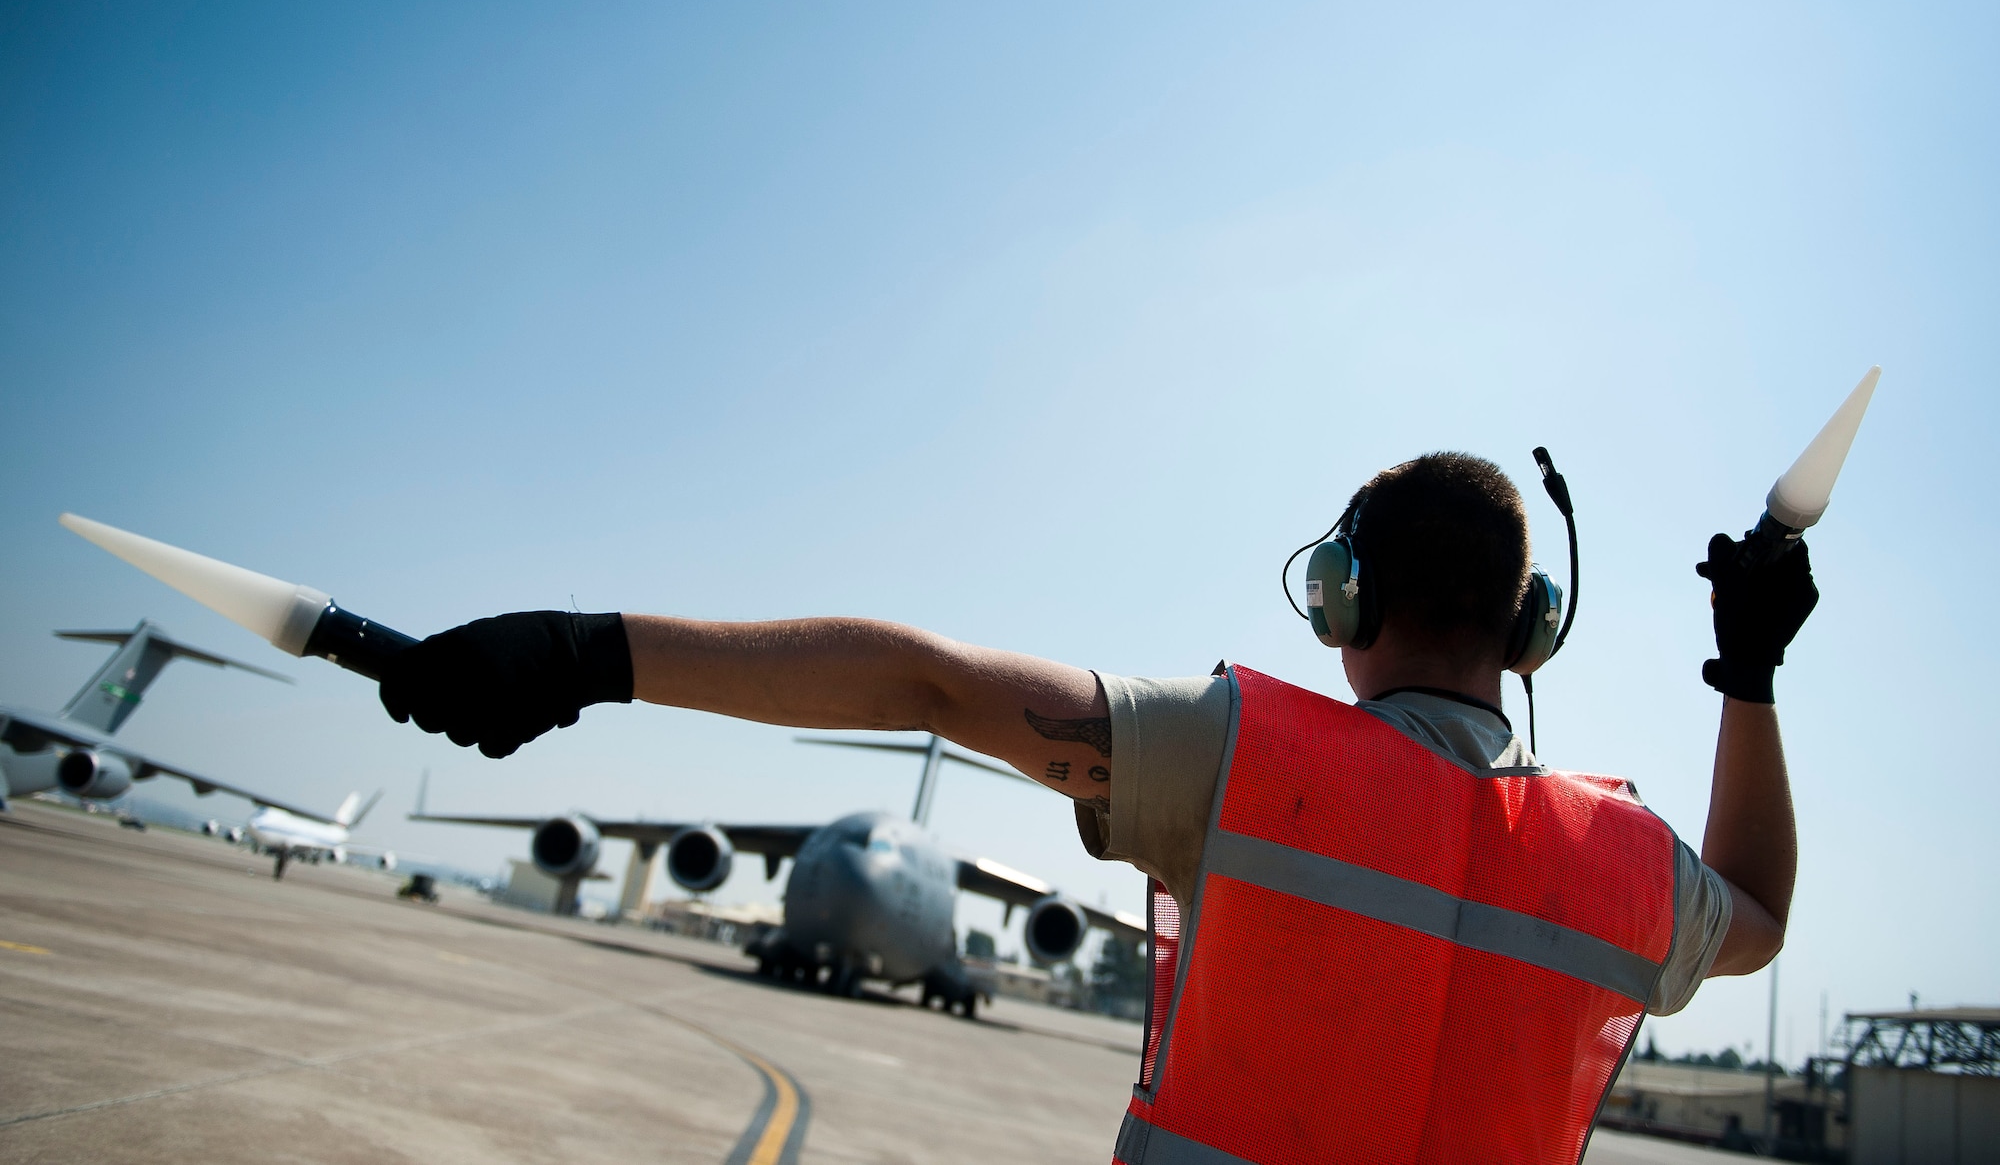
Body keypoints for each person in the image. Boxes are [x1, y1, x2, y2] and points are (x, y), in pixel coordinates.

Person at [378, 452, 1815, 1164]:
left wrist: (586, 652)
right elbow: (1760, 914)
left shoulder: (1254, 755)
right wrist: (1747, 678)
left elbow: (924, 684)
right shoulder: (1627, 867)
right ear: (1531, 636)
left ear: (1344, 600)